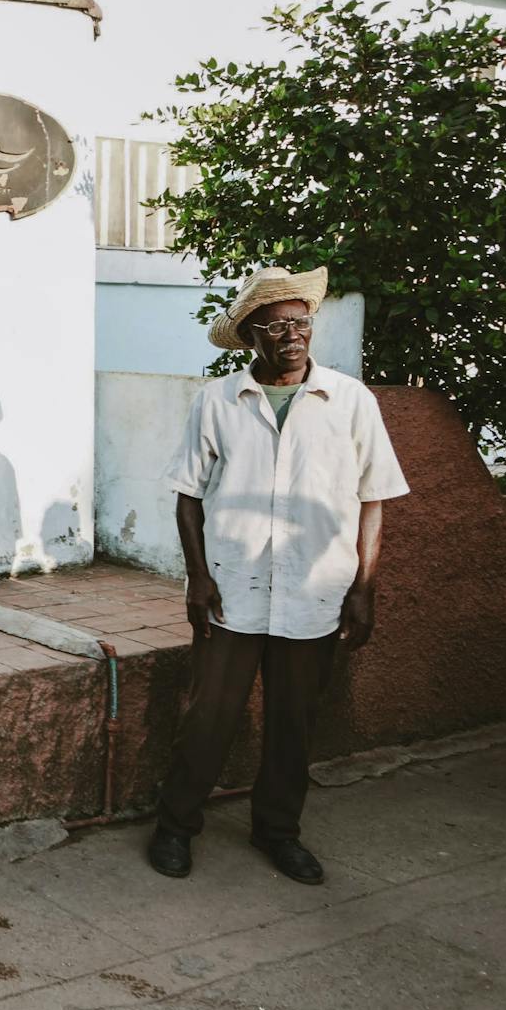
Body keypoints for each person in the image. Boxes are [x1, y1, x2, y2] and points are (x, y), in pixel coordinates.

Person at [148, 266, 408, 884]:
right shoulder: (217, 401)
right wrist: (198, 579)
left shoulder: (352, 402)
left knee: (294, 724)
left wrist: (364, 589)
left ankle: (278, 832)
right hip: (232, 592)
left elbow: (374, 499)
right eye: (278, 324)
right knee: (208, 717)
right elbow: (188, 494)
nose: (294, 334)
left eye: (302, 322)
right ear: (252, 334)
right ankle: (176, 826)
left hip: (315, 593)